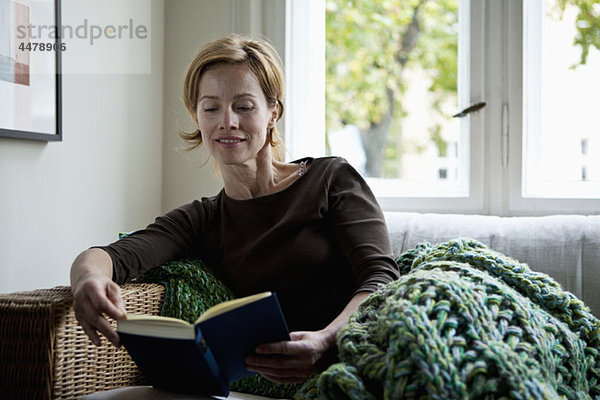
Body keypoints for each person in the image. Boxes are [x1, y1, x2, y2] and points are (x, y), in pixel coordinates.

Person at [70, 34, 399, 384]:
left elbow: (381, 276)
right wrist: (88, 279)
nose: (227, 121)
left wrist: (327, 340)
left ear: (273, 113)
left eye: (244, 106)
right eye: (211, 108)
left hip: (352, 357)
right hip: (268, 381)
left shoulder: (330, 179)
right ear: (197, 117)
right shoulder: (202, 219)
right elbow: (111, 256)